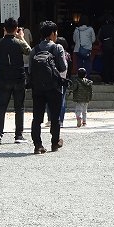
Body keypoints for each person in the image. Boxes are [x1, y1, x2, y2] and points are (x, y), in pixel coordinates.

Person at [30, 20, 68, 154]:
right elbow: (63, 67)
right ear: (52, 33)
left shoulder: (34, 50)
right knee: (55, 116)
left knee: (37, 118)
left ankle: (38, 145)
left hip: (38, 88)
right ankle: (55, 142)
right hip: (54, 87)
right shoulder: (57, 48)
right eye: (55, 32)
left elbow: (30, 70)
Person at [0, 17, 31, 145]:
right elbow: (29, 51)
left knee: (1, 107)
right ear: (16, 29)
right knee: (19, 107)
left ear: (4, 29)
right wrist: (21, 37)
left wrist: (5, 36)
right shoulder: (18, 42)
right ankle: (18, 135)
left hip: (3, 78)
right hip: (19, 78)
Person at [97, 16, 114, 84]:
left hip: (105, 48)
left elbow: (99, 38)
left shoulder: (103, 28)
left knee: (106, 64)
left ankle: (106, 79)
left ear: (107, 21)